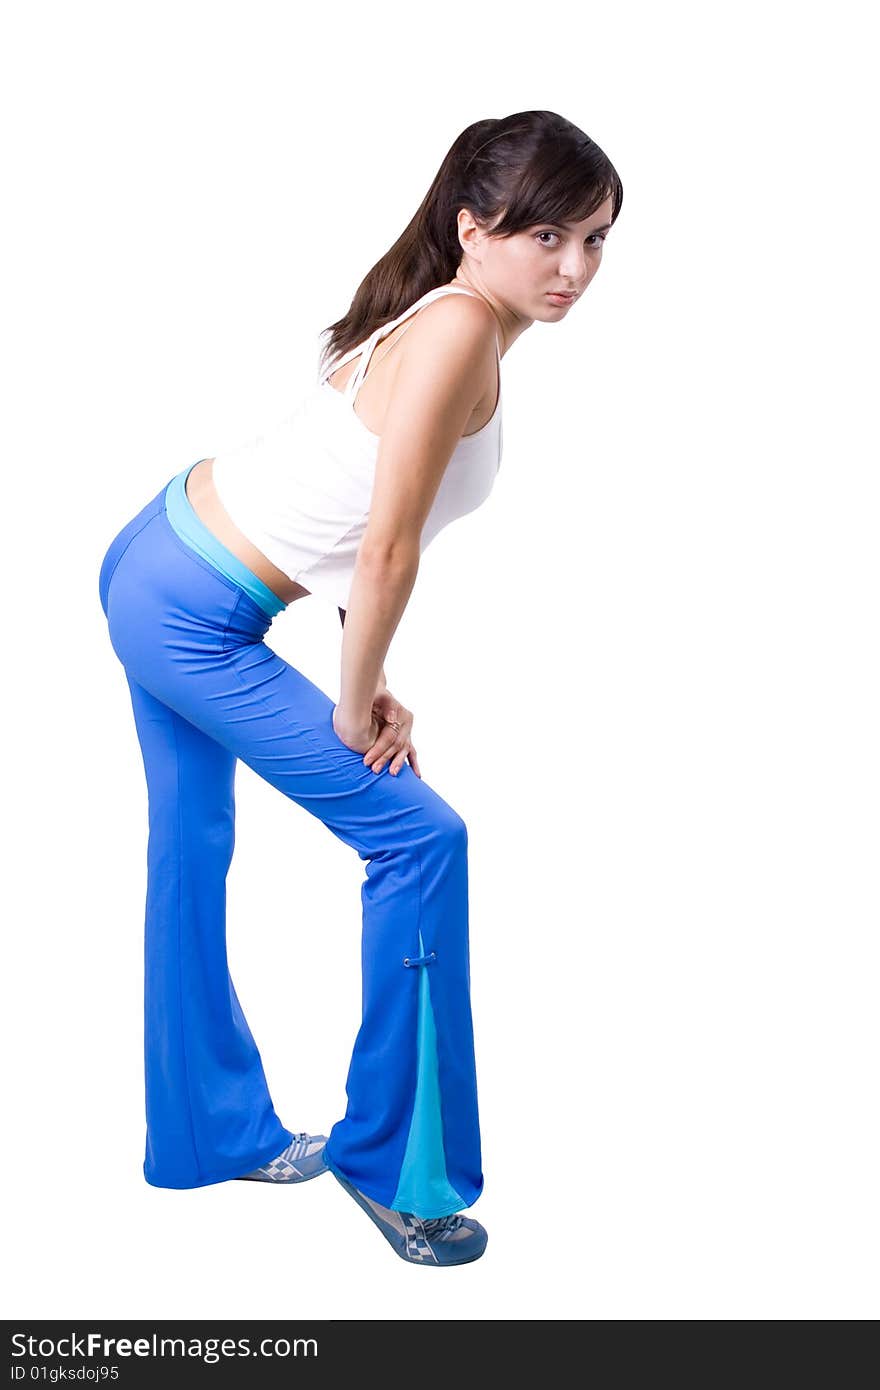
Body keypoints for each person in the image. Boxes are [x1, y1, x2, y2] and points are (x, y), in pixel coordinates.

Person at [97, 109, 623, 1267]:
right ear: (473, 228)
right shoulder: (455, 335)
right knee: (419, 837)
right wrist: (352, 699)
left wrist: (370, 676)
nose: (574, 269)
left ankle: (203, 1134)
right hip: (189, 609)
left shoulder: (456, 318)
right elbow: (383, 550)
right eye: (547, 237)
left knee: (191, 845)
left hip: (165, 557)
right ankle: (395, 1168)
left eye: (594, 241)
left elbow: (344, 520)